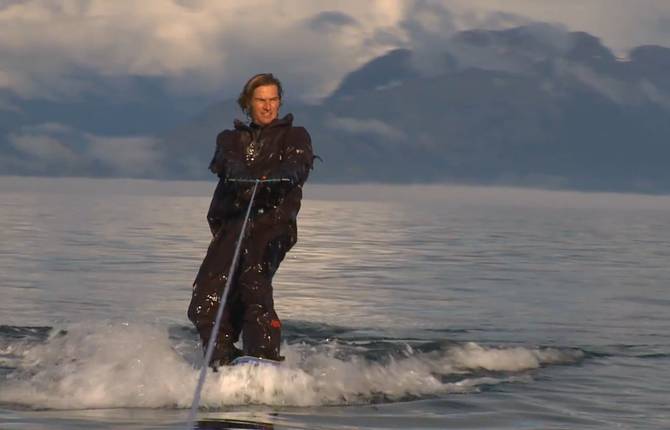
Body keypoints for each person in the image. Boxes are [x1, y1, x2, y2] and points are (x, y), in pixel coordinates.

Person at [188, 73, 314, 368]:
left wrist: (282, 175)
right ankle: (220, 359)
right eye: (261, 101)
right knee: (204, 299)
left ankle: (264, 358)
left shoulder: (295, 136)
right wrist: (239, 173)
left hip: (273, 224)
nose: (268, 107)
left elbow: (298, 164)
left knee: (252, 279)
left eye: (273, 100)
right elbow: (226, 162)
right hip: (232, 226)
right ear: (248, 103)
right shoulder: (230, 139)